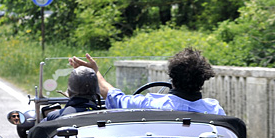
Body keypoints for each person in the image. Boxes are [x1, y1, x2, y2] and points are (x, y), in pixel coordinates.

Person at [70, 48, 226, 115]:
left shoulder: (149, 104)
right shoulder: (214, 110)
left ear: (172, 78)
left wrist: (95, 72)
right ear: (203, 80)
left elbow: (113, 96)